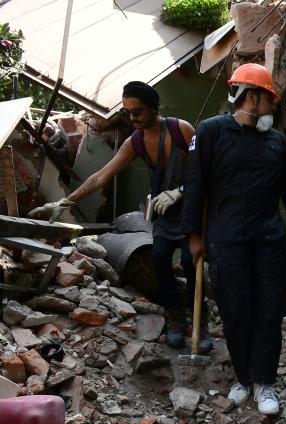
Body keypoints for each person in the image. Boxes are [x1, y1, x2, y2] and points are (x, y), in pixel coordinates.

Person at [182, 63, 286, 416]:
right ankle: (243, 378)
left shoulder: (276, 141)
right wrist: (194, 235)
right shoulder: (211, 132)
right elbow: (196, 186)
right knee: (236, 311)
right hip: (225, 241)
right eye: (270, 99)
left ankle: (265, 383)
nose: (274, 107)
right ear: (252, 97)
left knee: (269, 312)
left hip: (268, 240)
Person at [48, 81, 211, 352]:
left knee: (189, 261)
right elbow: (101, 176)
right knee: (159, 259)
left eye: (138, 112)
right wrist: (66, 200)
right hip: (163, 213)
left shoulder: (181, 130)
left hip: (192, 210)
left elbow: (203, 174)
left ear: (154, 108)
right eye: (128, 112)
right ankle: (175, 316)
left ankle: (200, 320)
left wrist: (180, 192)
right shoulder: (135, 141)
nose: (133, 118)